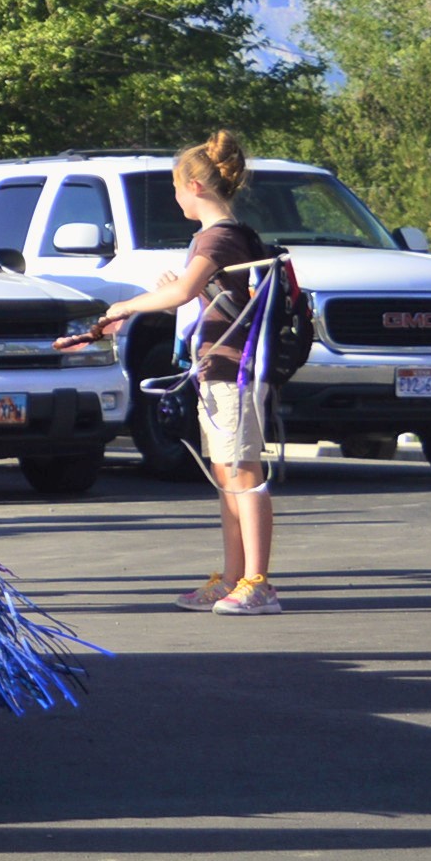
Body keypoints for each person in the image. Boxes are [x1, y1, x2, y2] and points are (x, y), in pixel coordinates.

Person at [96, 131, 282, 617]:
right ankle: (233, 577)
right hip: (216, 369)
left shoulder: (218, 237)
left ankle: (258, 583)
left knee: (243, 474)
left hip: (233, 370)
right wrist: (177, 287)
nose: (175, 197)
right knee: (226, 477)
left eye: (177, 188)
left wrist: (127, 306)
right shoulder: (222, 238)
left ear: (195, 187)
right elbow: (194, 292)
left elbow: (183, 294)